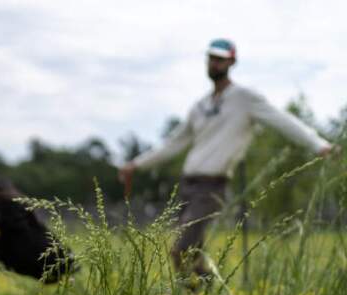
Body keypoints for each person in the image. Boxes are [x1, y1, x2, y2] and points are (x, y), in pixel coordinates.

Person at [119, 38, 337, 279]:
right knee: (193, 252)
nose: (214, 63)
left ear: (232, 61)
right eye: (211, 58)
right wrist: (135, 165)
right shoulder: (200, 107)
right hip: (187, 186)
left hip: (211, 188)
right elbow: (172, 144)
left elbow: (282, 120)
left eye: (220, 59)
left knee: (180, 250)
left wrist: (318, 144)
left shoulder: (245, 98)